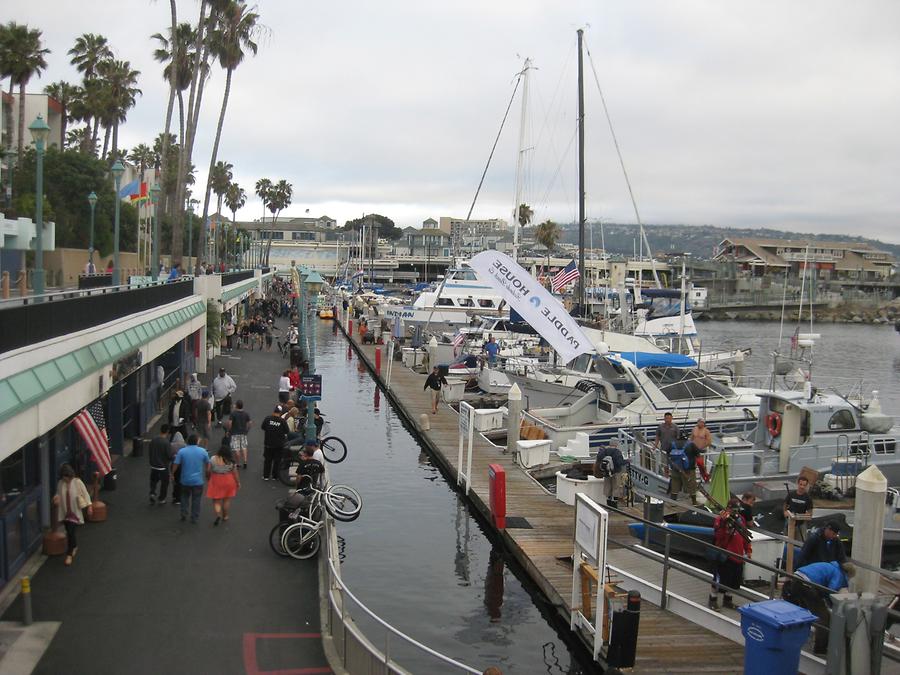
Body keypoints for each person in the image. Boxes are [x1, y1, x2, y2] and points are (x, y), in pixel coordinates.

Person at [784, 560, 855, 653]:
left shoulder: (831, 566)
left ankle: (790, 637)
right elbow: (831, 590)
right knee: (825, 618)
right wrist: (833, 606)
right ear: (848, 574)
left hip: (796, 579)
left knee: (802, 612)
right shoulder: (839, 574)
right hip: (806, 585)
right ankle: (820, 648)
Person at [708, 498, 751, 610]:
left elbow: (745, 537)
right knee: (719, 580)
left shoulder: (741, 519)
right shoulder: (720, 519)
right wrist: (724, 524)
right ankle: (713, 599)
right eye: (734, 510)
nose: (736, 513)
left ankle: (728, 600)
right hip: (725, 555)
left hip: (738, 555)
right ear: (728, 508)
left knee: (733, 581)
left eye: (737, 510)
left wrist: (748, 550)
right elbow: (718, 536)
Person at [52, 464, 93, 567]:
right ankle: (74, 546)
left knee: (70, 532)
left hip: (75, 512)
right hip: (66, 512)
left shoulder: (77, 482)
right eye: (66, 477)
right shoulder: (60, 483)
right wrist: (55, 498)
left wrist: (89, 506)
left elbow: (85, 494)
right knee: (69, 531)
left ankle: (69, 554)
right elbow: (57, 493)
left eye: (69, 477)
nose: (68, 480)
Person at [171, 434, 210, 524]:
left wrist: (172, 473)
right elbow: (208, 463)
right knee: (196, 499)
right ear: (196, 441)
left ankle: (183, 514)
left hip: (185, 480)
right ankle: (194, 517)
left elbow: (176, 464)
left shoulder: (182, 451)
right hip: (198, 481)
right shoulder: (203, 451)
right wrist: (207, 472)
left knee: (184, 497)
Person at [207, 438, 240, 526]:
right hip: (228, 480)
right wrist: (238, 483)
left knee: (216, 500)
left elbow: (208, 470)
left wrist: (208, 478)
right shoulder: (231, 461)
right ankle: (225, 515)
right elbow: (235, 473)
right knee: (226, 499)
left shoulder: (213, 458)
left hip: (216, 480)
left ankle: (218, 514)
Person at [593, 442, 627, 508]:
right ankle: (614, 504)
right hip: (616, 472)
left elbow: (599, 458)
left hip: (606, 472)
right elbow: (619, 462)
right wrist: (627, 461)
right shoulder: (617, 452)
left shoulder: (605, 451)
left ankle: (608, 503)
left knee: (608, 486)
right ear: (616, 444)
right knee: (615, 487)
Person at [668, 436, 701, 505]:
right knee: (691, 485)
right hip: (689, 469)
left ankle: (672, 503)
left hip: (675, 468)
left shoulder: (672, 444)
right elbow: (698, 454)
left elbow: (668, 454)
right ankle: (694, 502)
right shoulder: (691, 444)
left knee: (674, 485)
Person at [261, 405, 290, 481]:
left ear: (274, 411)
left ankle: (266, 476)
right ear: (280, 413)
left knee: (268, 460)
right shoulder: (282, 421)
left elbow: (263, 427)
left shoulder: (268, 419)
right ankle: (275, 476)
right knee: (277, 461)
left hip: (268, 443)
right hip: (279, 445)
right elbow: (287, 431)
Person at [226, 399, 252, 469]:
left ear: (237, 406)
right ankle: (245, 462)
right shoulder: (246, 413)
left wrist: (228, 431)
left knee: (236, 448)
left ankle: (238, 463)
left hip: (235, 433)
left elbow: (230, 423)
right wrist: (247, 430)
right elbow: (250, 423)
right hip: (243, 433)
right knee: (244, 447)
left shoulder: (233, 413)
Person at [149, 424, 171, 505]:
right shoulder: (166, 442)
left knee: (153, 481)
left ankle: (152, 492)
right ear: (168, 431)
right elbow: (169, 455)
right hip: (163, 467)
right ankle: (162, 498)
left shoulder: (154, 440)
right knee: (165, 483)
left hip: (153, 465)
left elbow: (150, 451)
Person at [169, 430, 186, 506]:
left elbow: (169, 455)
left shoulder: (171, 445)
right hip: (182, 465)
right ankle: (180, 496)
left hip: (174, 464)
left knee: (175, 481)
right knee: (181, 480)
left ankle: (175, 496)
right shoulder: (185, 445)